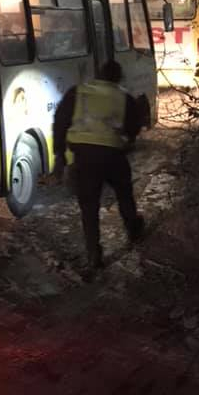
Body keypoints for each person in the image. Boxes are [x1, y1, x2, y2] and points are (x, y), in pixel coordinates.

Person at [53, 60, 145, 271]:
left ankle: (93, 253)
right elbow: (134, 127)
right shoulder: (124, 97)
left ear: (98, 75)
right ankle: (133, 228)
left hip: (84, 158)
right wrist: (127, 140)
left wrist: (60, 155)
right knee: (124, 194)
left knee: (89, 206)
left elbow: (60, 121)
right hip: (113, 155)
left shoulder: (78, 92)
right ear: (118, 78)